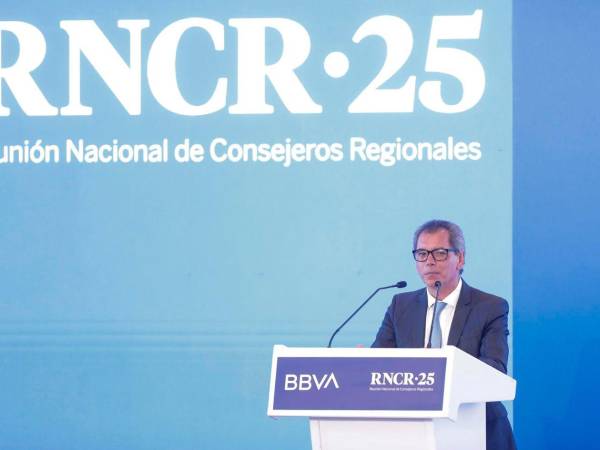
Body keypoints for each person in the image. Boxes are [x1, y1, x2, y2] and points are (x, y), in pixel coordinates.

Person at [372, 219, 516, 450]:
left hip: (479, 430)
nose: (429, 261)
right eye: (421, 254)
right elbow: (379, 364)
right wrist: (365, 362)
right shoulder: (401, 305)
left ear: (460, 258)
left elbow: (494, 368)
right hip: (413, 432)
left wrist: (440, 378)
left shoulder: (490, 307)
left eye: (439, 253)